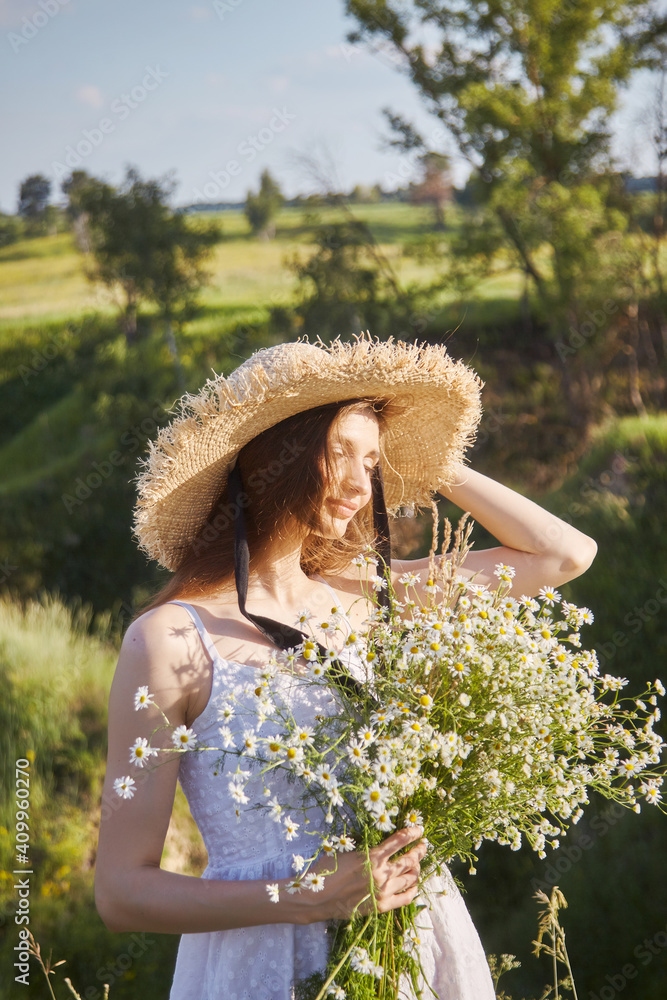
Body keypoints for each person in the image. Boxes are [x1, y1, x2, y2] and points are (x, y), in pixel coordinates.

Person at [94, 333, 598, 1000]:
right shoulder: (168, 639)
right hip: (260, 960)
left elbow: (562, 554)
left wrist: (422, 459)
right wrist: (304, 898)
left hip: (413, 940)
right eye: (339, 455)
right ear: (270, 460)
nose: (364, 486)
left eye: (374, 464)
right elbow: (122, 893)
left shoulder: (374, 593)